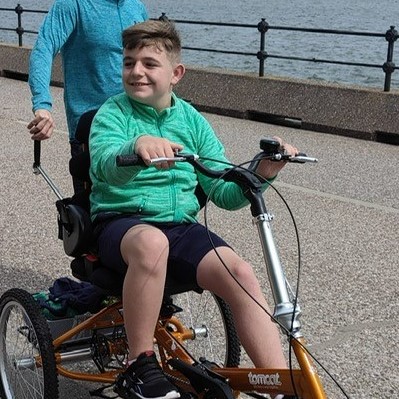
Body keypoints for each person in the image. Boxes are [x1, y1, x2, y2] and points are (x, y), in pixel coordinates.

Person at [89, 20, 298, 399]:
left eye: (149, 64)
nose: (136, 71)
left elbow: (222, 189)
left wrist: (264, 171)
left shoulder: (191, 120)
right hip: (121, 224)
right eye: (128, 62)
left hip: (179, 228)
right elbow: (104, 164)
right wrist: (137, 146)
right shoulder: (111, 114)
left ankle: (279, 384)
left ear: (176, 73)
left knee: (239, 271)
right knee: (153, 244)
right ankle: (140, 365)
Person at [27, 0, 148, 193]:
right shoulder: (73, 4)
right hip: (91, 129)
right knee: (91, 210)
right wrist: (42, 105)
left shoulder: (136, 7)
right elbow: (44, 48)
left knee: (142, 205)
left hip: (137, 124)